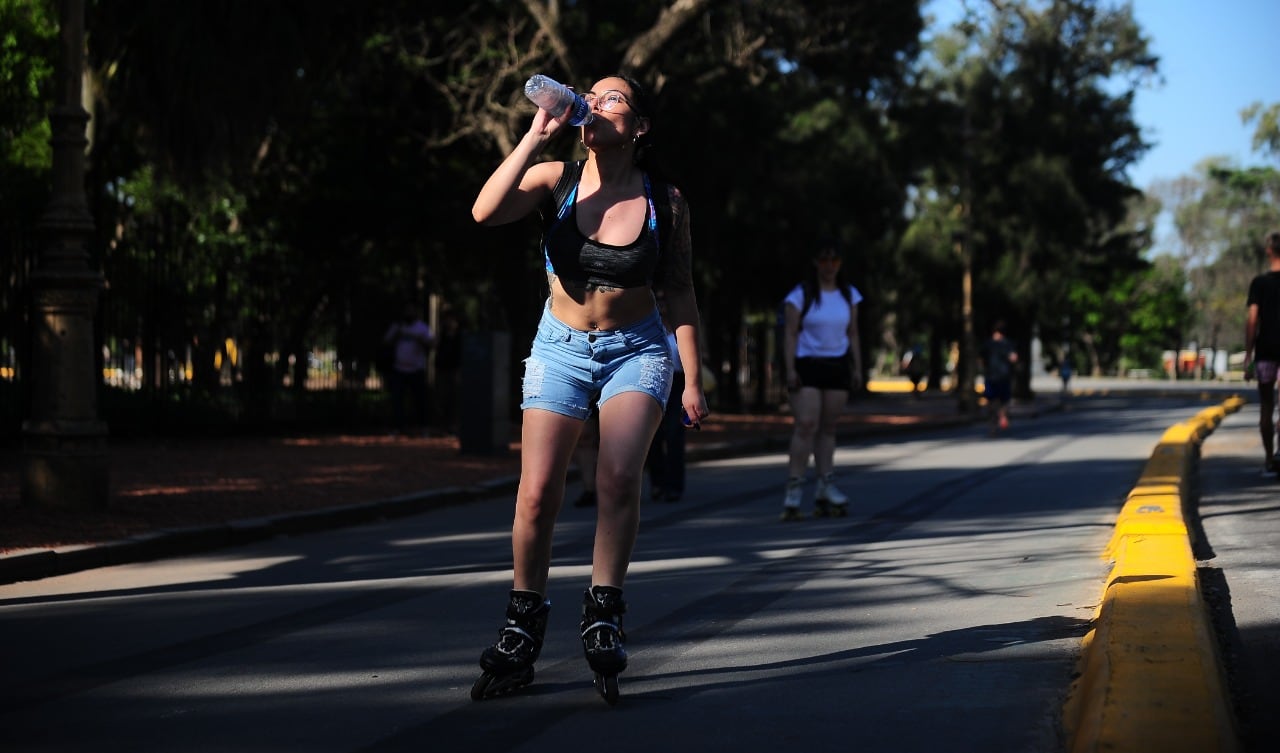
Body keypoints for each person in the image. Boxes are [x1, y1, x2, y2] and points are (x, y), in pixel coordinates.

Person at [468, 72, 708, 702]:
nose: (597, 104)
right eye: (592, 97)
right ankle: (522, 625)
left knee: (618, 478)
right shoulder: (557, 180)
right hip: (560, 346)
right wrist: (535, 135)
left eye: (614, 98)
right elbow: (485, 210)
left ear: (639, 126)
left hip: (638, 349)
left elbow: (679, 289)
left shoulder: (667, 200)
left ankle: (604, 610)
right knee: (537, 492)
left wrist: (692, 378)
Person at [780, 240, 863, 521]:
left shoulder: (849, 295)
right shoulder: (800, 295)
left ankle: (825, 486)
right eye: (824, 260)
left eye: (834, 260)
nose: (829, 266)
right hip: (808, 365)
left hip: (838, 364)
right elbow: (790, 334)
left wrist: (857, 368)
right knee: (806, 425)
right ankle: (793, 489)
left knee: (828, 427)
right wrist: (790, 369)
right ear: (816, 263)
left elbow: (853, 333)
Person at [1244, 230, 1280, 476]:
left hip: (1265, 350)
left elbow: (1252, 321)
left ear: (1269, 251)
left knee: (1266, 407)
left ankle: (1269, 459)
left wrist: (1248, 354)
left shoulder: (1259, 283)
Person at [646, 296, 687, 502]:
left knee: (674, 434)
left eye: (665, 301)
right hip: (655, 382)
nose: (662, 306)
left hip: (678, 384)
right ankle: (657, 483)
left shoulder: (682, 329)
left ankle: (674, 485)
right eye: (658, 301)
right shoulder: (651, 328)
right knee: (653, 436)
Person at [382, 303, 434, 437]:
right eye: (407, 311)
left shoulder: (422, 327)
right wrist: (397, 335)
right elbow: (386, 342)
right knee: (397, 401)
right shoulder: (398, 327)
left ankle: (424, 428)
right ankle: (397, 428)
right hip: (399, 369)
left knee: (420, 401)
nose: (408, 314)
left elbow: (432, 344)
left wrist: (419, 339)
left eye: (411, 311)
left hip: (417, 369)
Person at [981, 320, 1018, 434]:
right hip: (1004, 376)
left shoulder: (988, 344)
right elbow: (1014, 358)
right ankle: (1002, 416)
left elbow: (981, 359)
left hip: (991, 376)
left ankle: (992, 425)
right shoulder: (1007, 344)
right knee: (1004, 401)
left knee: (991, 401)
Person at [432, 307, 462, 435]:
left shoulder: (461, 336)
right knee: (441, 398)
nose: (449, 323)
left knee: (454, 398)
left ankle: (453, 425)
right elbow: (434, 346)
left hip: (455, 370)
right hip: (442, 369)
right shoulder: (442, 335)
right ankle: (442, 426)